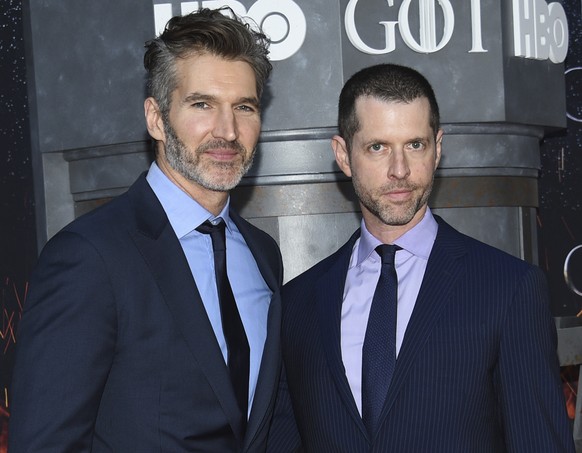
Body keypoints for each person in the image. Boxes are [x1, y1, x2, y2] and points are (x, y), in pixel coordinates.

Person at [9, 8, 283, 452]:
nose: (228, 131)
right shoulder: (89, 257)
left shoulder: (262, 254)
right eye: (202, 104)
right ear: (156, 118)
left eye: (244, 108)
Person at [267, 63, 574, 452]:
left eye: (415, 145)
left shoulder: (508, 289)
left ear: (438, 148)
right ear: (343, 155)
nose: (400, 171)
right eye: (378, 147)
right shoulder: (298, 303)